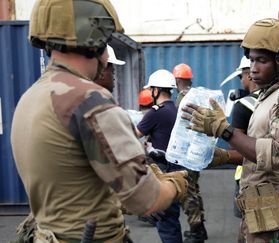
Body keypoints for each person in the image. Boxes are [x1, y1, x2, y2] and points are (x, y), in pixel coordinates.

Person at [10, 1, 188, 242]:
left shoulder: (31, 97)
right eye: (106, 43)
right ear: (94, 40)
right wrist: (175, 184)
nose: (106, 56)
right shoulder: (88, 99)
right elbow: (145, 200)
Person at [182, 18, 279, 243]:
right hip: (260, 215)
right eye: (251, 60)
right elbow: (257, 153)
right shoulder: (267, 96)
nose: (253, 69)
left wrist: (223, 130)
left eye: (261, 60)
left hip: (277, 222)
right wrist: (224, 157)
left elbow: (278, 154)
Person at [135, 69, 185, 243]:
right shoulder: (177, 110)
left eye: (151, 90)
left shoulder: (156, 113)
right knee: (171, 219)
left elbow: (134, 135)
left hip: (162, 171)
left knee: (165, 222)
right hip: (177, 171)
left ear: (156, 90)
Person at [218, 56, 259, 219]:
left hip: (248, 177)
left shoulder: (243, 106)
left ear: (249, 74)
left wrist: (221, 156)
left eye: (241, 76)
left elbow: (237, 150)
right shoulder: (277, 101)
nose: (241, 81)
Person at [173, 63, 208, 243]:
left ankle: (196, 230)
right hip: (197, 150)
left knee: (188, 192)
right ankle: (200, 227)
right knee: (195, 189)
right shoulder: (197, 95)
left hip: (186, 152)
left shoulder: (182, 98)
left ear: (178, 80)